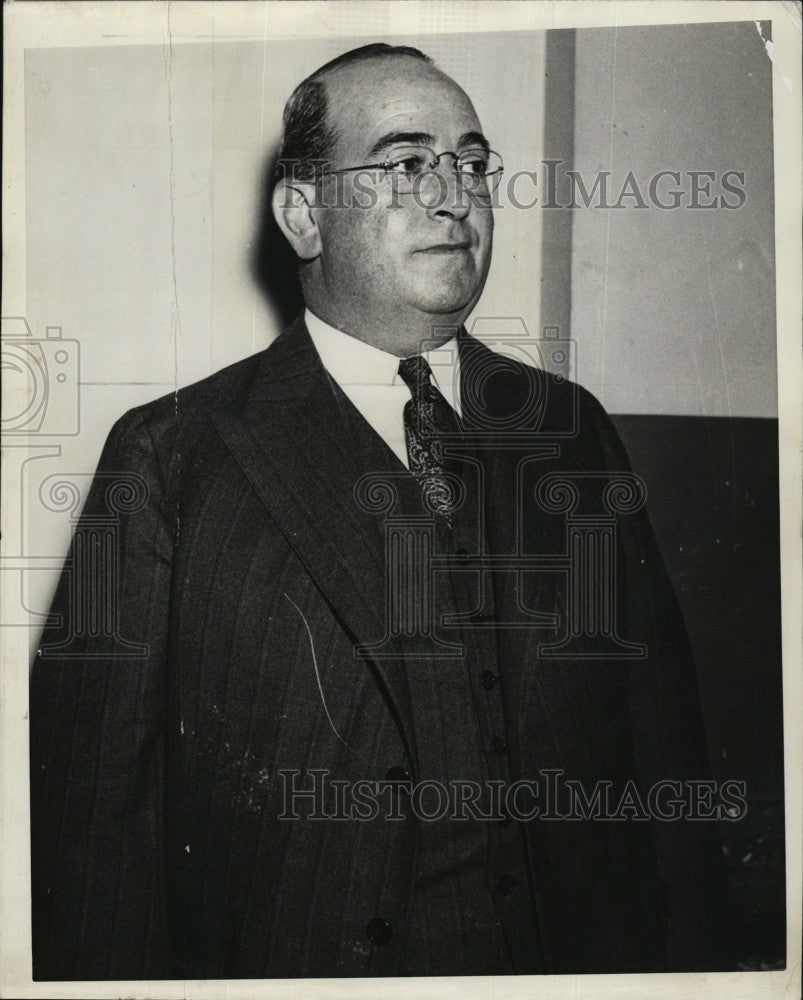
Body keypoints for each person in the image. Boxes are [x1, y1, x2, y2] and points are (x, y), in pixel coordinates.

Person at [29, 42, 731, 980]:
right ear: (302, 213)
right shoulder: (166, 455)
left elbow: (663, 760)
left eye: (472, 164)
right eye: (405, 163)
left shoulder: (572, 431)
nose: (453, 195)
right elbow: (91, 833)